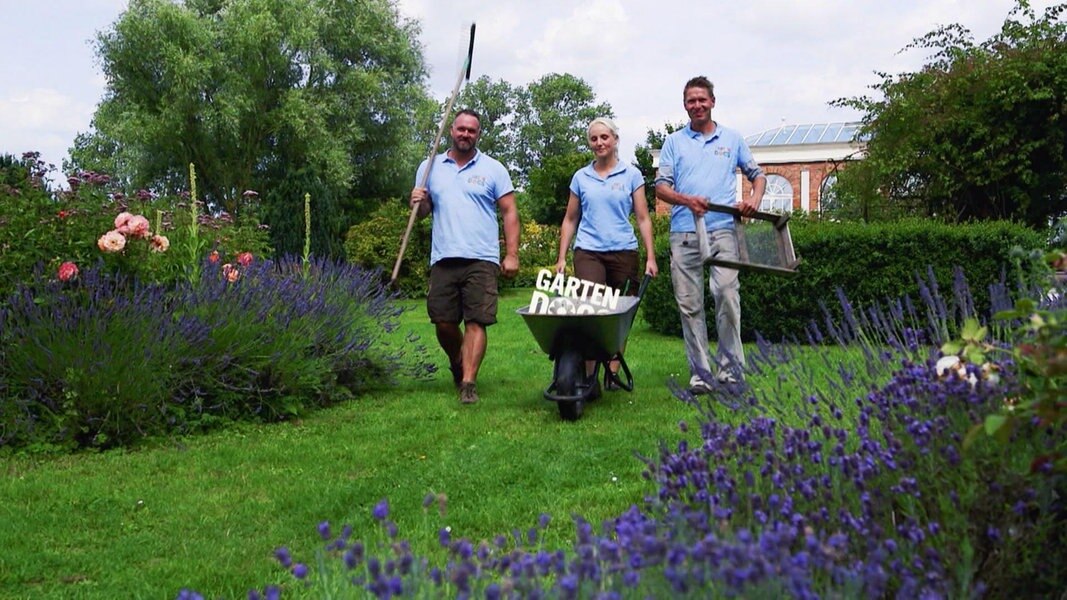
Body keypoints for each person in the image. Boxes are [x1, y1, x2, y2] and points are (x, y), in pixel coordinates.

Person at [654, 76, 766, 393]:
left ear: (713, 102)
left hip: (723, 230)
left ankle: (730, 372)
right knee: (690, 306)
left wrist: (753, 201)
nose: (697, 105)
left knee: (728, 297)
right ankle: (701, 374)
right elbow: (661, 187)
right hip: (684, 233)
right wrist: (687, 200)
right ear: (685, 105)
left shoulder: (732, 139)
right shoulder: (674, 142)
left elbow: (757, 177)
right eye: (691, 100)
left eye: (702, 99)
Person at [410, 109, 520, 404]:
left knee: (476, 320)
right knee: (443, 322)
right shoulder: (430, 166)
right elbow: (421, 215)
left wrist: (511, 254)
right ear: (452, 131)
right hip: (444, 256)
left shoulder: (493, 169)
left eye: (472, 130)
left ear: (478, 134)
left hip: (481, 257)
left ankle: (468, 382)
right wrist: (418, 203)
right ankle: (459, 360)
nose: (466, 134)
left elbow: (509, 212)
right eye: (461, 129)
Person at [555, 117, 658, 390]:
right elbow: (569, 219)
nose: (599, 143)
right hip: (589, 250)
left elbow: (643, 217)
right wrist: (562, 257)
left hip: (624, 251)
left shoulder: (631, 174)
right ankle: (589, 376)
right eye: (594, 139)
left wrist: (651, 256)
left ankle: (611, 372)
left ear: (614, 140)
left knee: (619, 313)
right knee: (591, 310)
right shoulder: (581, 177)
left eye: (604, 137)